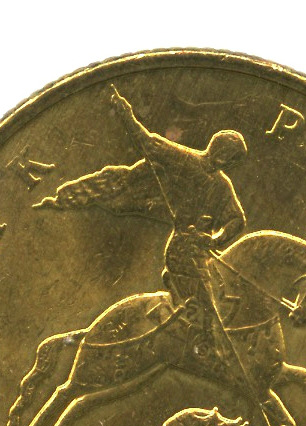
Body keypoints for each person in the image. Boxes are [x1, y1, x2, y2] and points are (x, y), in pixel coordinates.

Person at [35, 88, 248, 308]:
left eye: (232, 159)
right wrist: (125, 113)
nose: (227, 161)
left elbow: (237, 219)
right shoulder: (183, 159)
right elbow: (146, 141)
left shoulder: (221, 186)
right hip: (182, 250)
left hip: (203, 253)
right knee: (205, 309)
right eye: (228, 155)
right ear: (217, 150)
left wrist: (215, 240)